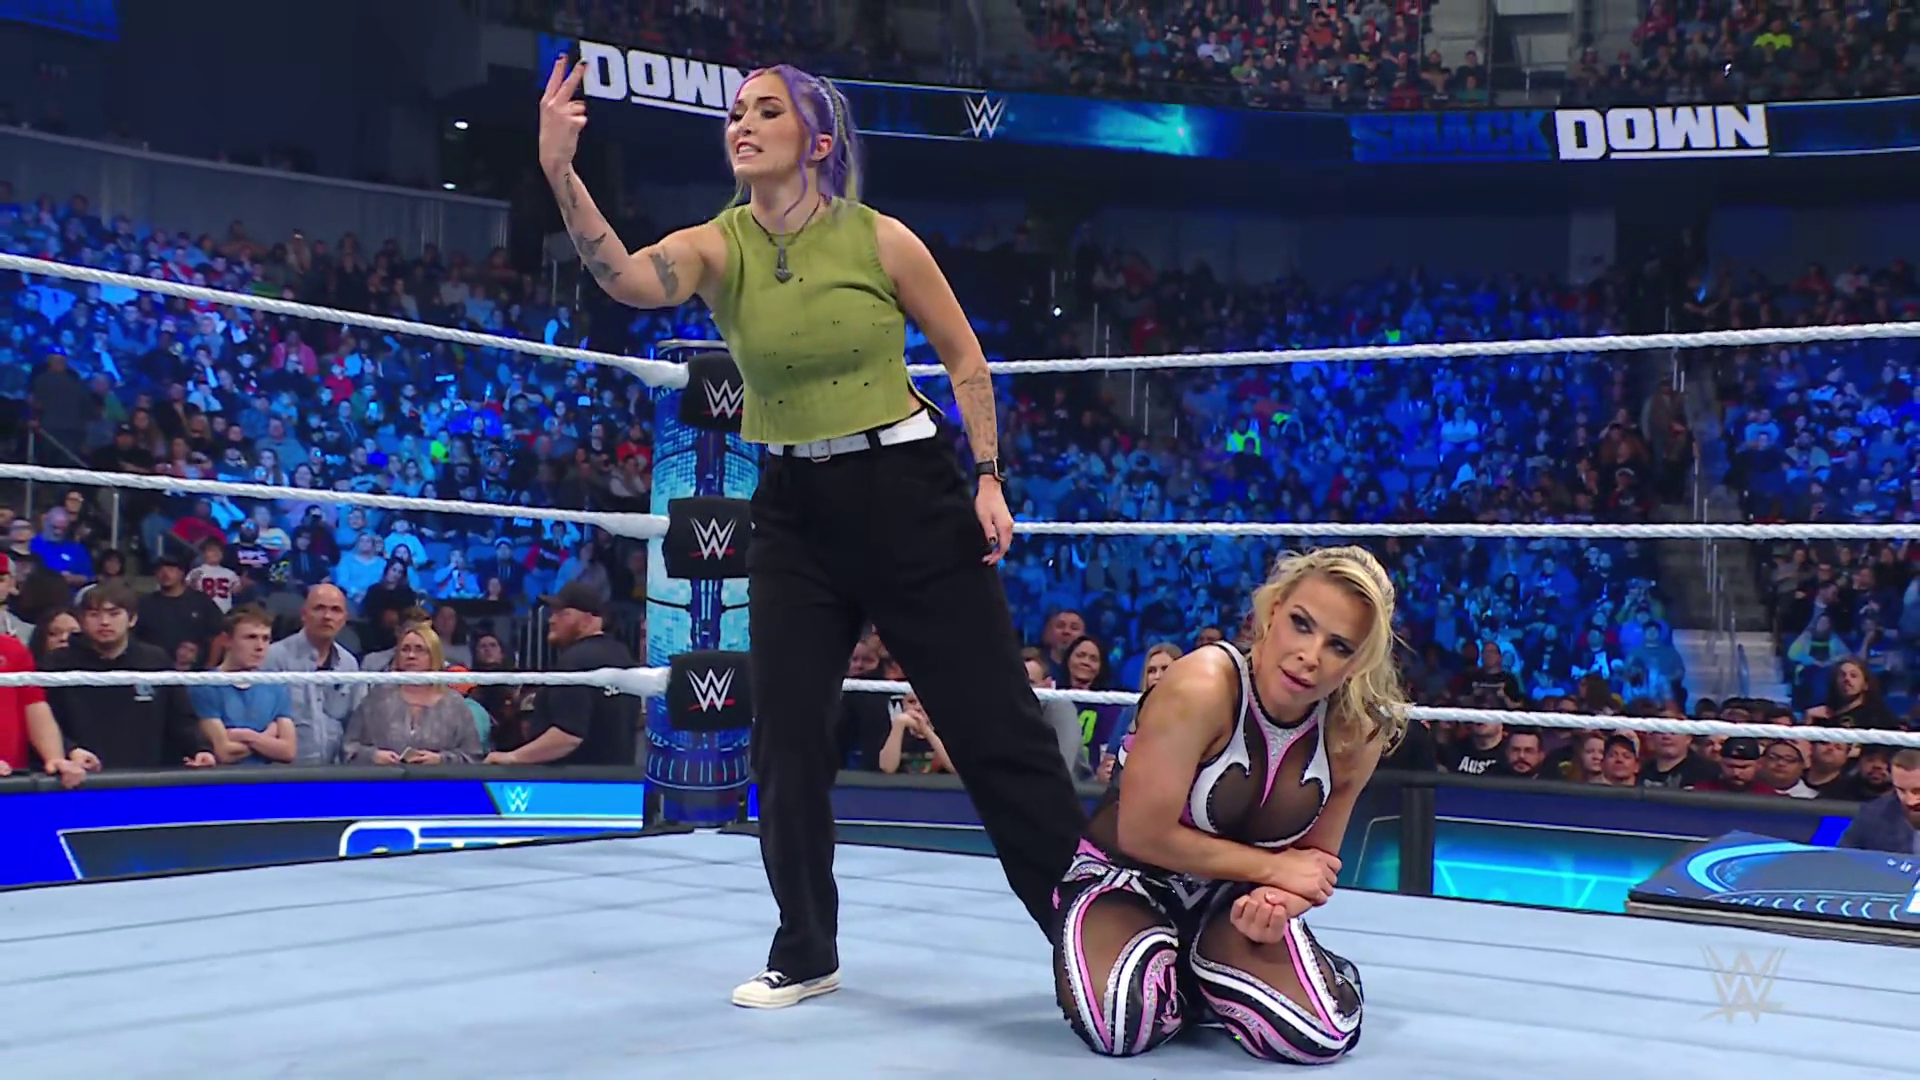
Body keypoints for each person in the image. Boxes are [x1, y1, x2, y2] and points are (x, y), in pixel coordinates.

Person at [537, 57, 1087, 1008]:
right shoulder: (720, 245)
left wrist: (991, 477)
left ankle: (1088, 929)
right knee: (785, 733)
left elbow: (964, 358)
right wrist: (559, 169)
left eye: (766, 110)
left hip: (907, 490)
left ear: (818, 141)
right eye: (735, 113)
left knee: (993, 723)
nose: (742, 125)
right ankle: (805, 948)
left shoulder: (880, 239)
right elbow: (626, 279)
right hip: (793, 504)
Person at [1052, 546, 1406, 1064]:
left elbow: (1315, 862)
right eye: (1301, 624)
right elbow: (1142, 833)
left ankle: (1205, 972)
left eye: (1338, 645)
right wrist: (1274, 869)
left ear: (1357, 662)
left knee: (1322, 1034)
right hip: (1127, 878)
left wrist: (1277, 904)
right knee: (1121, 1023)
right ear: (1272, 611)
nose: (1310, 656)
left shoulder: (1356, 729)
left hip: (1231, 904)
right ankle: (1188, 975)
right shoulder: (1202, 684)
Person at [484, 582, 637, 767]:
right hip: (621, 777)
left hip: (575, 779)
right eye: (552, 612)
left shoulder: (575, 662)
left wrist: (513, 757)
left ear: (588, 620)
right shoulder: (623, 655)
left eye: (562, 613)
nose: (551, 620)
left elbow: (568, 735)